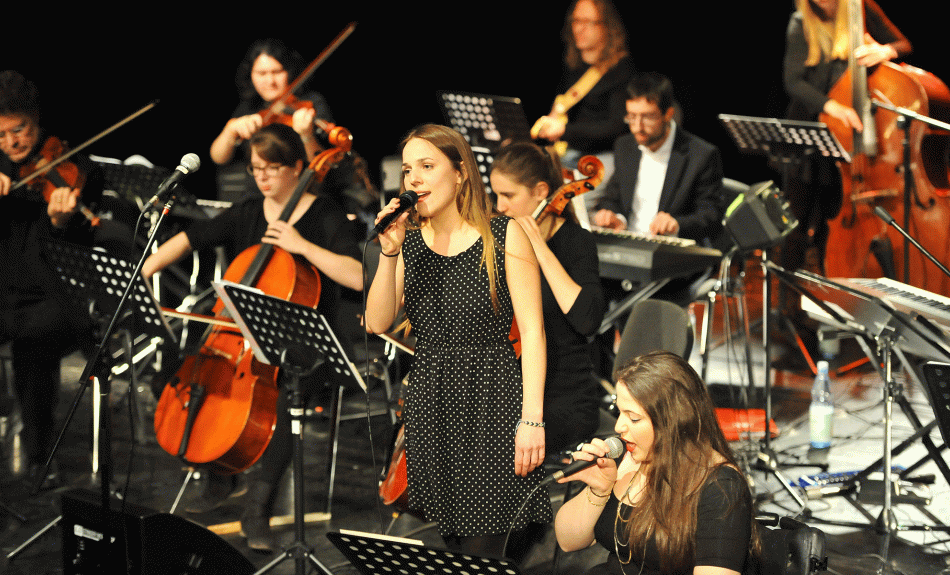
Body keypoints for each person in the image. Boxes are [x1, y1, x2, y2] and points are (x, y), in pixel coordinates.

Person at [143, 123, 363, 552]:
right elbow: (193, 236)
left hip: (305, 348)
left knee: (282, 398)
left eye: (273, 168)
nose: (262, 177)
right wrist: (146, 270)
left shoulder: (326, 215)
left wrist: (302, 246)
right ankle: (220, 475)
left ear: (299, 167)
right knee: (174, 378)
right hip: (239, 340)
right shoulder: (247, 211)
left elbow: (357, 276)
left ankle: (257, 508)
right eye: (256, 168)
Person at [364, 124, 550, 558]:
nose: (415, 180)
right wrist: (389, 253)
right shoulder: (408, 243)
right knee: (453, 541)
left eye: (428, 166)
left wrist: (533, 420)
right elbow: (376, 322)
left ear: (461, 172)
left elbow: (535, 335)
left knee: (480, 551)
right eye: (409, 170)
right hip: (432, 402)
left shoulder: (504, 236)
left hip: (491, 401)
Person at [553, 351, 757, 575]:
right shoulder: (627, 454)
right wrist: (599, 490)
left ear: (673, 420)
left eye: (634, 418)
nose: (619, 426)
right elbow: (567, 541)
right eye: (620, 412)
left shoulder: (720, 487)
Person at [0, 70, 102, 488]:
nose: (11, 144)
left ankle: (42, 454)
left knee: (33, 346)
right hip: (3, 293)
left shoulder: (74, 166)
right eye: (1, 135)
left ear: (37, 120)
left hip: (53, 297)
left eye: (19, 130)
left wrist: (59, 221)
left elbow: (81, 242)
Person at [781, 0, 910, 291]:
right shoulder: (800, 21)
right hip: (812, 127)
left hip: (852, 137)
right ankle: (787, 298)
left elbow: (904, 43)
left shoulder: (861, 7)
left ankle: (838, 288)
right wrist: (833, 107)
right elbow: (793, 82)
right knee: (796, 222)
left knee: (832, 215)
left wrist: (885, 50)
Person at [490, 142, 606, 453]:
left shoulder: (576, 242)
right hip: (511, 389)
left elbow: (587, 320)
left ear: (542, 191)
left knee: (491, 444)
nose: (499, 206)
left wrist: (539, 249)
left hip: (564, 396)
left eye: (508, 196)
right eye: (496, 195)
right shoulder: (501, 239)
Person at [533, 0, 634, 215]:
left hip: (600, 158)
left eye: (588, 22)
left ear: (607, 26)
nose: (579, 28)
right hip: (568, 154)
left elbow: (617, 128)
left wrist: (564, 131)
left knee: (563, 207)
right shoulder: (575, 67)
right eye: (576, 20)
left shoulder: (621, 71)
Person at [209, 38, 334, 201]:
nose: (270, 81)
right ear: (250, 74)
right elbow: (218, 158)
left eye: (277, 72)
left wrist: (306, 136)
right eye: (261, 73)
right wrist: (230, 129)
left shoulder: (312, 102)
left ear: (290, 71)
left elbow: (324, 169)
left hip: (301, 196)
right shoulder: (249, 107)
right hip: (255, 198)